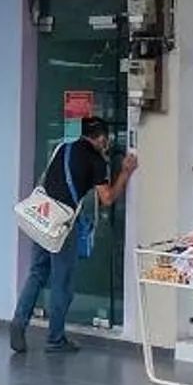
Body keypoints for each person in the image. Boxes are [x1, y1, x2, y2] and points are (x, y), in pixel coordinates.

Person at [12, 115, 136, 355]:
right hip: (62, 225)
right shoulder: (96, 161)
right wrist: (125, 173)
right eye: (105, 138)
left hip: (42, 218)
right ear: (100, 138)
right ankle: (55, 340)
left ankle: (18, 324)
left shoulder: (63, 147)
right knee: (62, 282)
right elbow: (107, 198)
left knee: (37, 273)